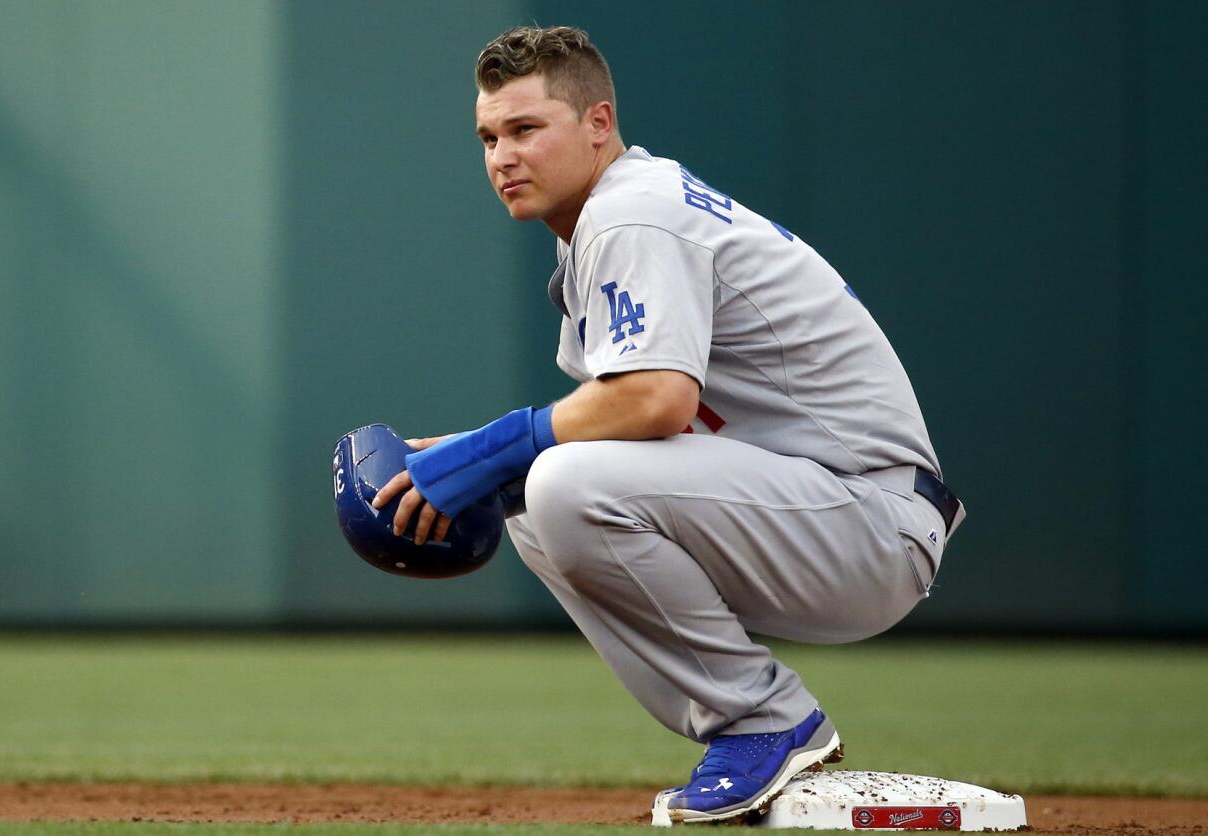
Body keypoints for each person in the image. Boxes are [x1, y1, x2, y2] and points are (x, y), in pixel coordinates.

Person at [371, 25, 964, 824]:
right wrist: (481, 464)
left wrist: (491, 449)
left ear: (598, 124)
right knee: (537, 506)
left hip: (869, 518)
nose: (502, 156)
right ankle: (751, 721)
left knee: (560, 481)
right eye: (488, 137)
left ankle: (767, 722)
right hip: (814, 509)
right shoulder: (612, 225)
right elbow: (624, 424)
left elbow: (655, 402)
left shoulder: (634, 215)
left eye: (525, 129)